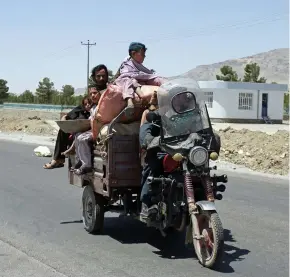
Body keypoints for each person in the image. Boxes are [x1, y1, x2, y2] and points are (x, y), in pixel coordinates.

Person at [72, 64, 109, 175]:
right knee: (78, 135)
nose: (93, 95)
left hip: (102, 130)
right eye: (91, 94)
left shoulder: (107, 98)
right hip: (96, 129)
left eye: (95, 93)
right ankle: (81, 161)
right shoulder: (94, 105)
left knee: (82, 138)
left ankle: (87, 164)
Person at [43, 96, 92, 169]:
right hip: (73, 131)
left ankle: (69, 152)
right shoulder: (80, 110)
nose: (87, 105)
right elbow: (66, 116)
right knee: (62, 131)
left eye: (89, 103)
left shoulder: (93, 111)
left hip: (83, 133)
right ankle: (57, 159)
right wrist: (64, 120)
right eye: (85, 104)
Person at [114, 42, 165, 113]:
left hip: (141, 82)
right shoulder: (126, 66)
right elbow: (125, 75)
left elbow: (149, 76)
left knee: (157, 79)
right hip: (132, 83)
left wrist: (164, 82)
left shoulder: (141, 67)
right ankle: (130, 101)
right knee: (129, 80)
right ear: (133, 54)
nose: (144, 56)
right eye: (142, 54)